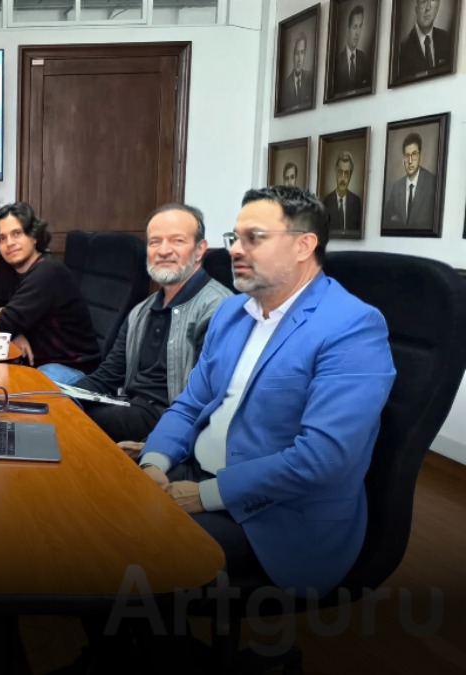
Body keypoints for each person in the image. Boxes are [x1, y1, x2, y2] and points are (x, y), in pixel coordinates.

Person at [137, 185, 394, 598]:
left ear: (303, 246)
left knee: (126, 548)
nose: (236, 249)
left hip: (278, 516)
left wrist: (205, 495)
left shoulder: (352, 327)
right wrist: (154, 463)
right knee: (92, 514)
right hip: (196, 472)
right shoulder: (233, 312)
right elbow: (189, 405)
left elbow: (321, 459)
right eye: (235, 238)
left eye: (254, 238)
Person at [73, 204, 232, 443]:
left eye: (177, 241)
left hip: (172, 421)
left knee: (73, 426)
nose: (164, 251)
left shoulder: (218, 309)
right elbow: (107, 376)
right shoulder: (141, 311)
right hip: (129, 406)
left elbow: (208, 402)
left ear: (200, 250)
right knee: (58, 408)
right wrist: (65, 397)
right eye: (155, 242)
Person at [0, 202, 99, 385]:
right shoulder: (7, 269)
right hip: (33, 362)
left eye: (17, 233)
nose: (9, 243)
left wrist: (7, 325)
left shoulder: (48, 272)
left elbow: (4, 323)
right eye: (2, 238)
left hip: (71, 368)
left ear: (34, 236)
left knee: (20, 397)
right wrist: (14, 332)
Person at [382, 132, 437, 231]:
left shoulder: (432, 183)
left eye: (414, 155)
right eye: (407, 156)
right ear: (403, 158)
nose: (410, 161)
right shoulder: (396, 187)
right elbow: (386, 221)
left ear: (420, 156)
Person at [396, 0, 453, 79]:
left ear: (438, 6)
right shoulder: (403, 48)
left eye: (433, 0)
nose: (428, 7)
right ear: (415, 8)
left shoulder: (447, 39)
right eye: (423, 1)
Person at [332, 5, 372, 93]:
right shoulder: (337, 62)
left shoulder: (364, 60)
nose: (358, 33)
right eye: (354, 27)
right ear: (348, 29)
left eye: (360, 26)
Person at [322, 151, 363, 233]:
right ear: (336, 172)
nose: (343, 178)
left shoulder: (356, 202)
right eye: (340, 172)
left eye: (347, 173)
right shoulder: (326, 202)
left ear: (351, 176)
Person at [279, 32, 313, 110]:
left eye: (302, 52)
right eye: (297, 53)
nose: (299, 59)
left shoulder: (310, 78)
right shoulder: (285, 85)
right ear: (292, 55)